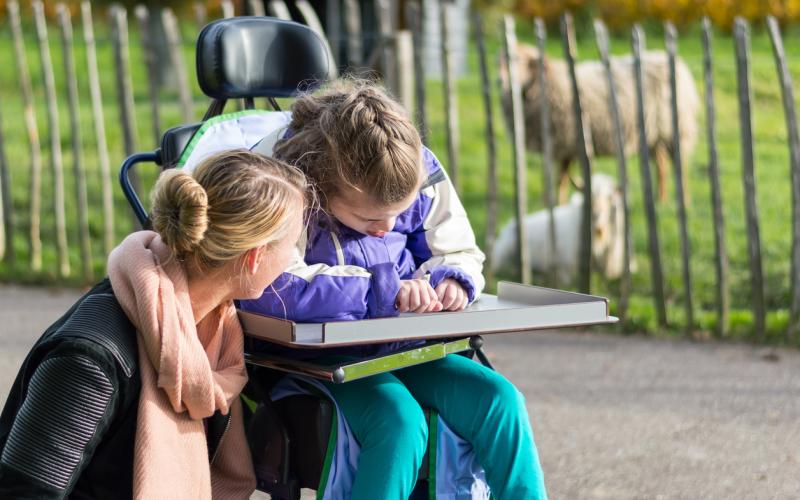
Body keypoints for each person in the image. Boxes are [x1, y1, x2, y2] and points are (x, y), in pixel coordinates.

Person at [239, 81, 548, 500]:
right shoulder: (281, 180)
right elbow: (272, 287)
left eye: (397, 214)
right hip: (314, 359)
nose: (386, 227)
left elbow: (456, 247)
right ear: (322, 186)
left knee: (499, 400)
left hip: (401, 346)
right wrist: (384, 291)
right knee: (398, 421)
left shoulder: (409, 162)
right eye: (368, 220)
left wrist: (452, 280)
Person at [0, 150, 307, 500]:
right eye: (292, 244)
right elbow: (22, 492)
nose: (295, 260)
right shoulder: (93, 360)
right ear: (255, 257)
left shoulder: (215, 334)